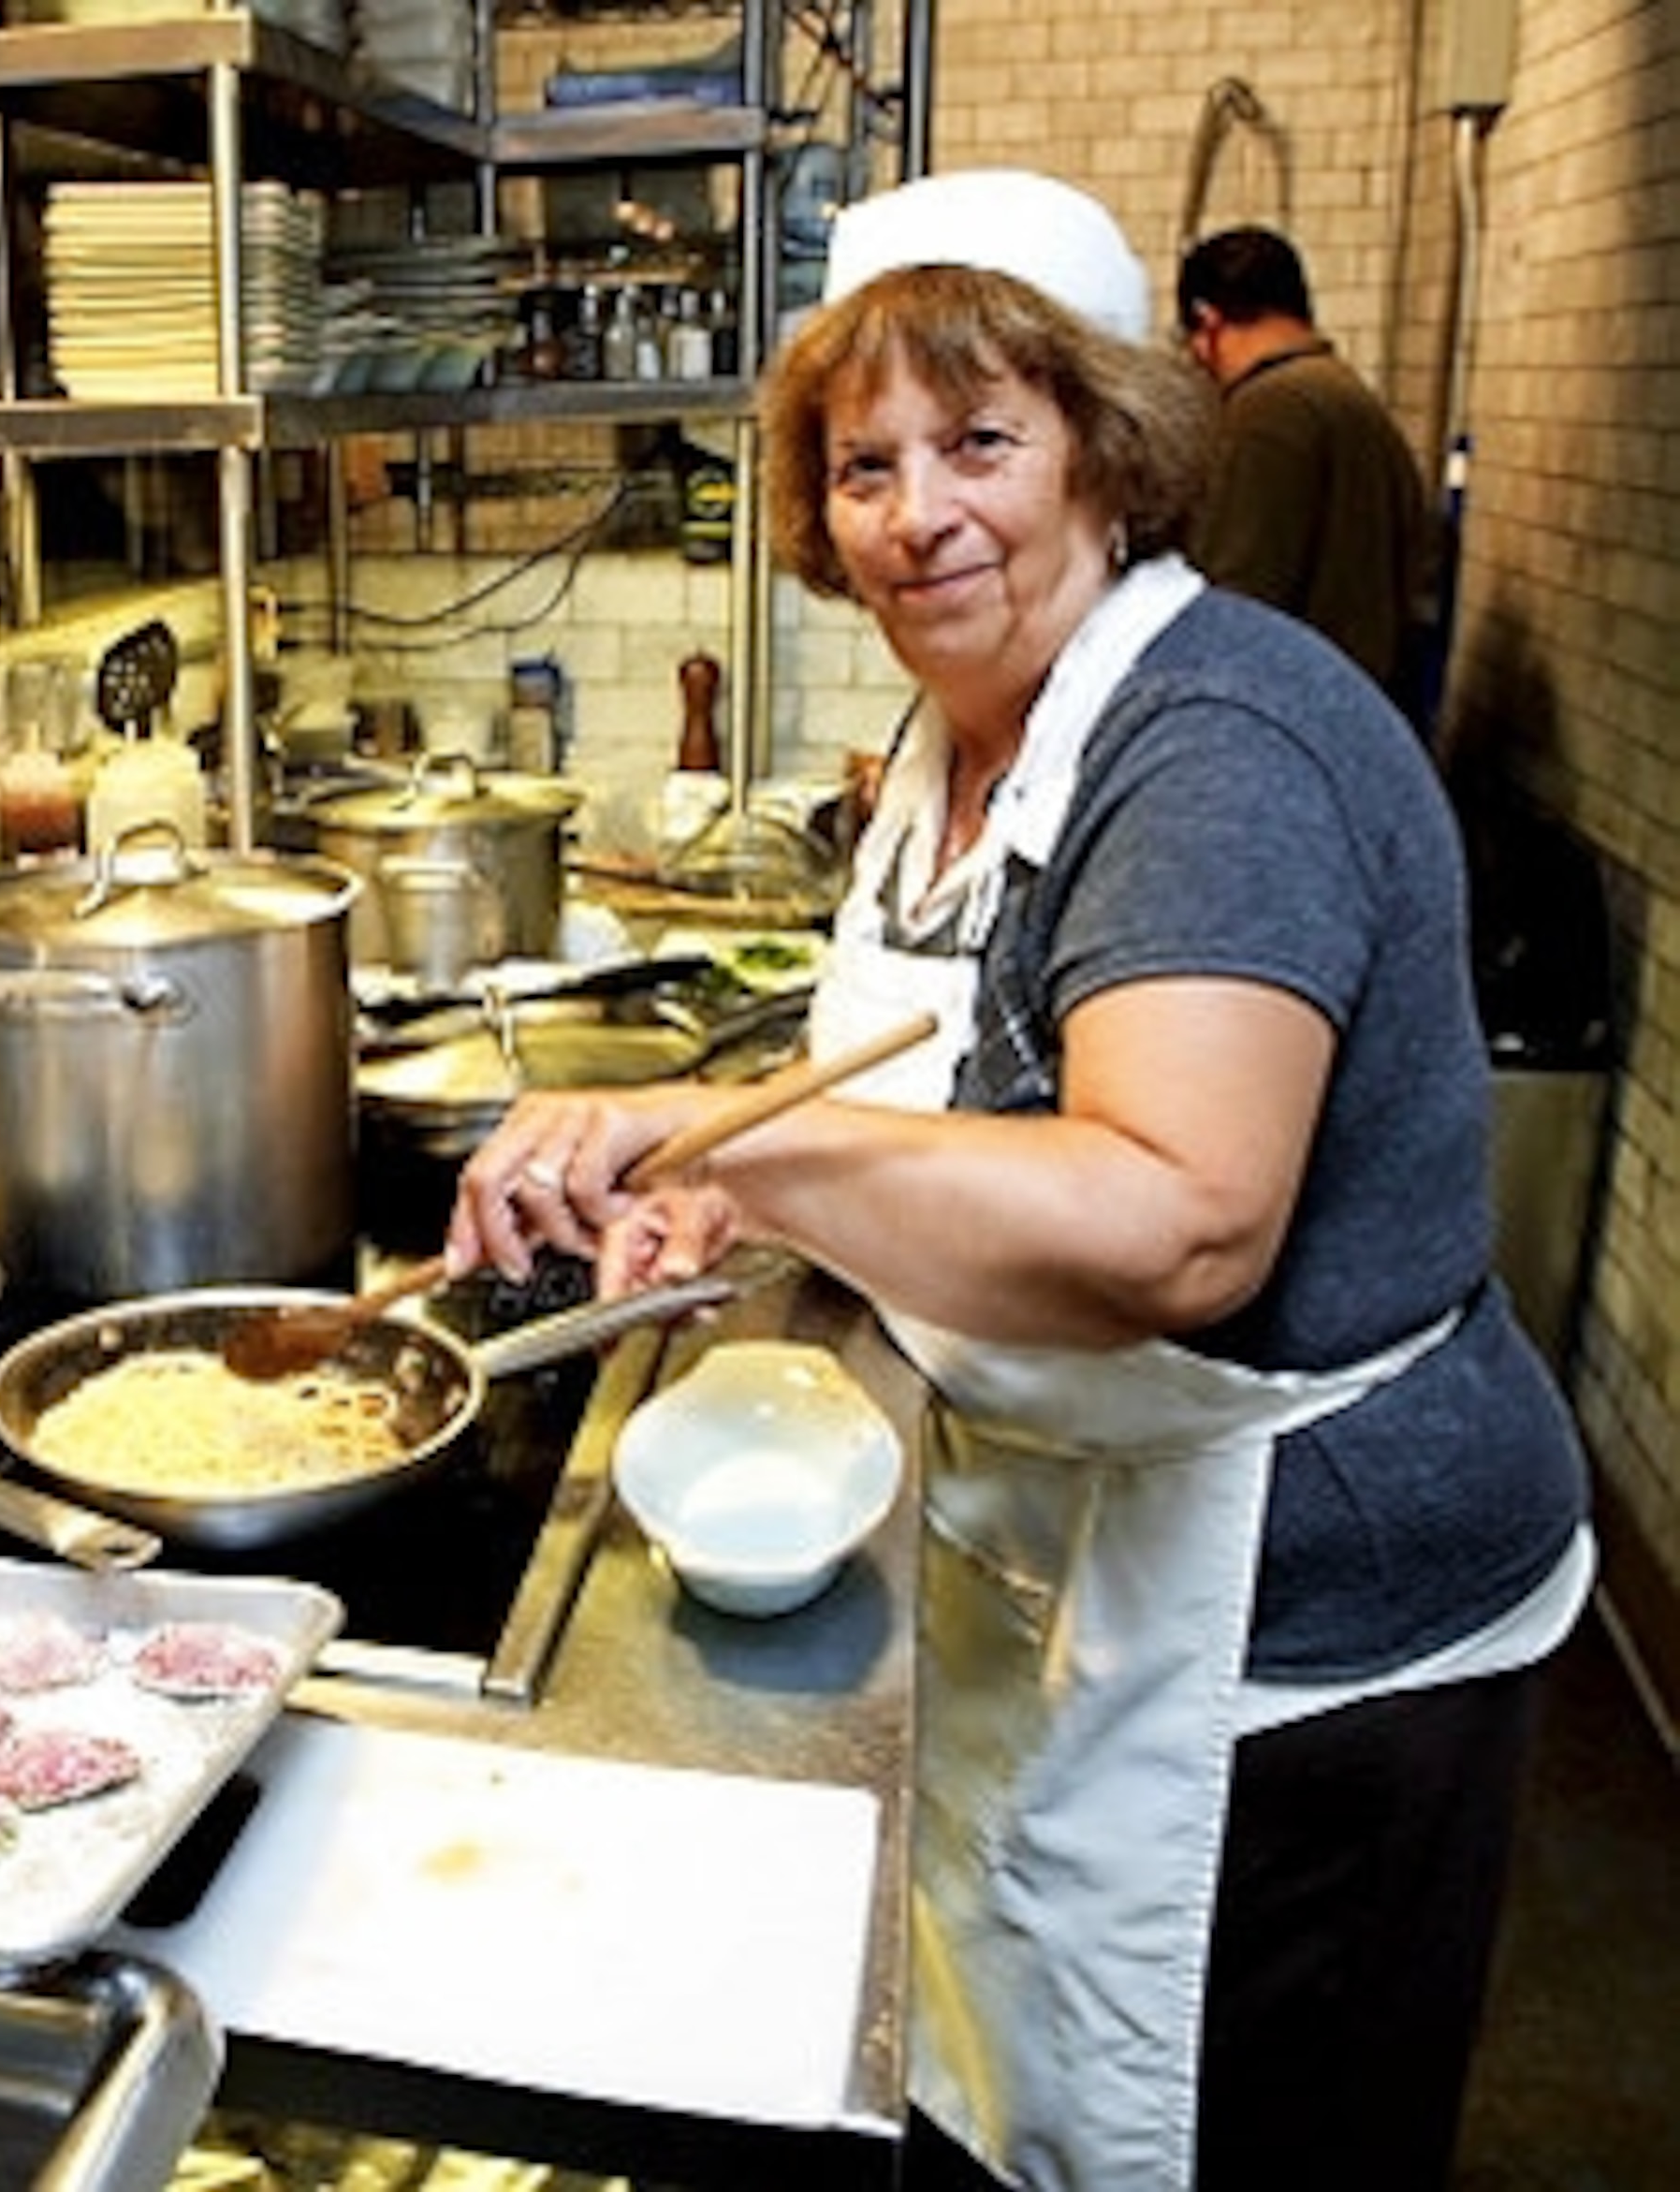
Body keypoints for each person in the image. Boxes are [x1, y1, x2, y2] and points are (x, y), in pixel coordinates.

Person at [447, 169, 1590, 2192]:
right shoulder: (958, 739)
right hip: (1079, 1536)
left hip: (1301, 1615)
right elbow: (941, 1100)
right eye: (863, 464)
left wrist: (738, 1133)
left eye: (980, 441)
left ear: (1103, 450)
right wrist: (748, 1199)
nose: (919, 513)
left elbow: (1176, 1219)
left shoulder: (1214, 745)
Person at [1176, 224, 1431, 706]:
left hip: (1291, 704)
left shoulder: (1269, 412)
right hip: (1360, 699)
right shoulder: (1348, 395)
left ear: (1207, 321)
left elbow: (1237, 593)